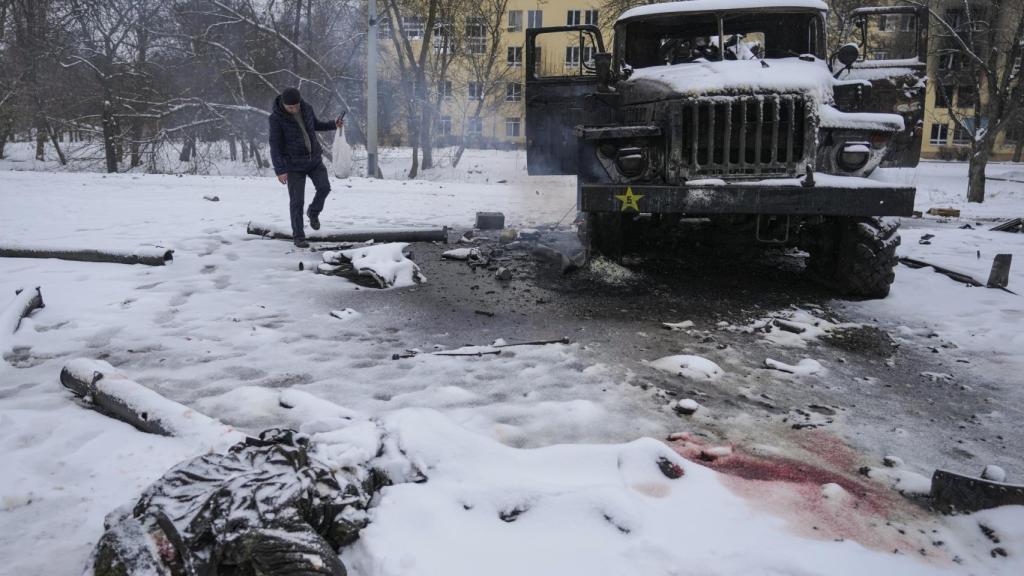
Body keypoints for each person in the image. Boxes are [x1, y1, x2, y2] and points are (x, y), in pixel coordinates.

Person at [268, 87, 343, 247]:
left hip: (314, 159)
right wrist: (280, 170)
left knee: (324, 188)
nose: (294, 109)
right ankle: (299, 236)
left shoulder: (306, 108)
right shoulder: (276, 118)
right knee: (297, 201)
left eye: (296, 106)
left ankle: (313, 212)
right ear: (283, 104)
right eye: (290, 107)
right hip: (293, 165)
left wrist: (333, 124)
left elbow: (315, 125)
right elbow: (275, 145)